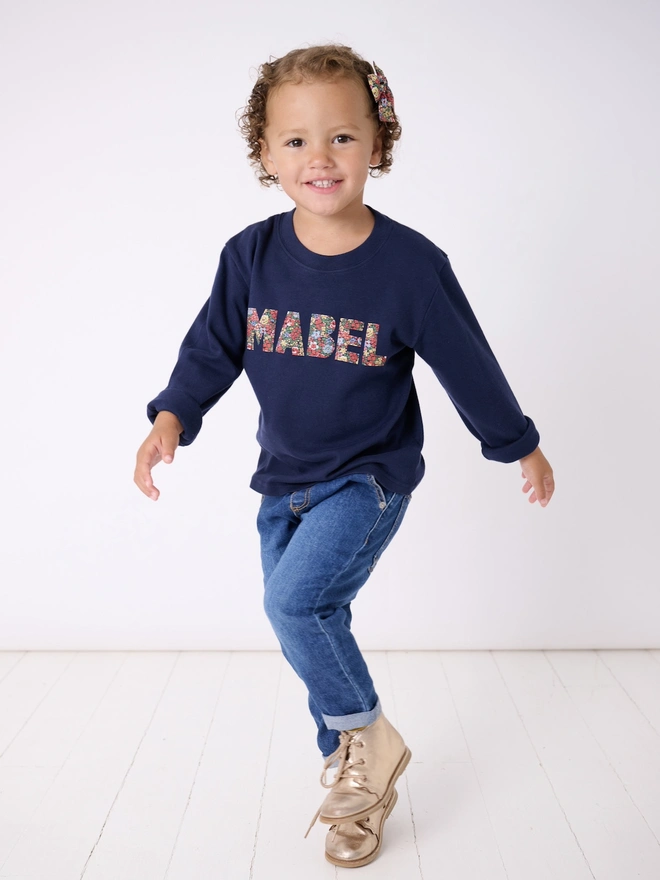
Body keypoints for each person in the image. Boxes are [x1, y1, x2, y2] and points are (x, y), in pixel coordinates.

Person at [133, 43, 555, 869]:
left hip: (369, 477)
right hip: (282, 481)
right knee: (312, 629)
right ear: (265, 154)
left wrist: (520, 445)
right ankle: (355, 781)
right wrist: (173, 415)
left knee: (294, 607)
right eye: (295, 141)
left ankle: (370, 737)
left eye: (341, 138)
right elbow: (213, 348)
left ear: (378, 144)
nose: (318, 158)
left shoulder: (410, 268)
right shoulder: (249, 257)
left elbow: (467, 362)